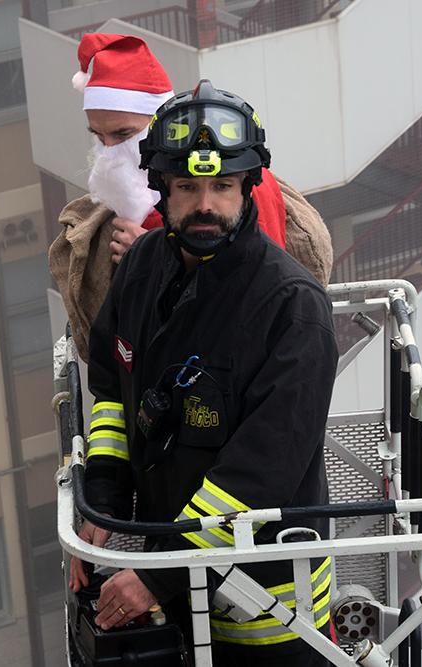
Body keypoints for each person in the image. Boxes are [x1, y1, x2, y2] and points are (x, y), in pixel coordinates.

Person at [69, 80, 339, 666]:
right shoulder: (141, 268)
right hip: (176, 595)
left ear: (249, 186)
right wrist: (103, 500)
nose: (205, 204)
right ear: (161, 187)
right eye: (187, 187)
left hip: (271, 614)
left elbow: (261, 470)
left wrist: (159, 574)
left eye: (222, 186)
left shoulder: (292, 308)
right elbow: (114, 390)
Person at [48, 33, 334, 362]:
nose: (109, 151)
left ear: (158, 126)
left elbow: (252, 281)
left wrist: (152, 256)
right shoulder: (139, 195)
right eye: (99, 136)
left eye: (123, 134)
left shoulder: (242, 184)